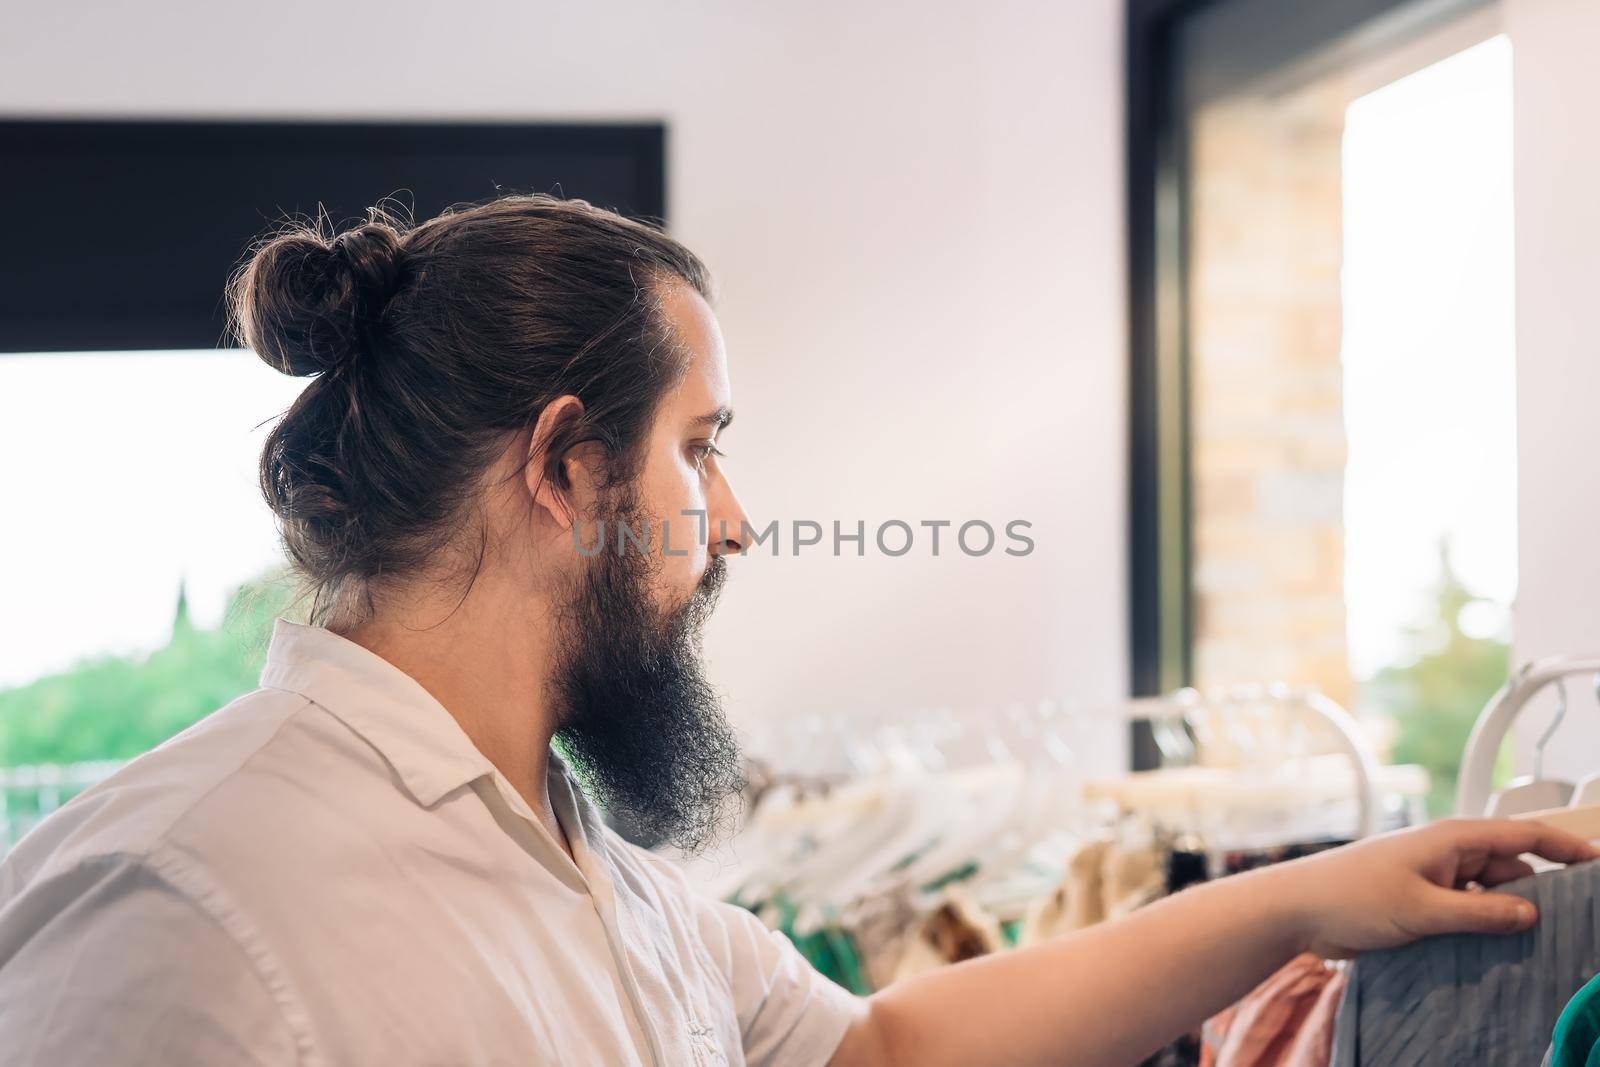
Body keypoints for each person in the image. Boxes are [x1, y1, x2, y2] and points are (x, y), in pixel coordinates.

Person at [0, 194, 1590, 1067]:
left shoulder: (579, 867)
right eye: (701, 445)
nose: (737, 518)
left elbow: (886, 1053)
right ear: (563, 466)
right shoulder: (187, 895)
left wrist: (1313, 898)